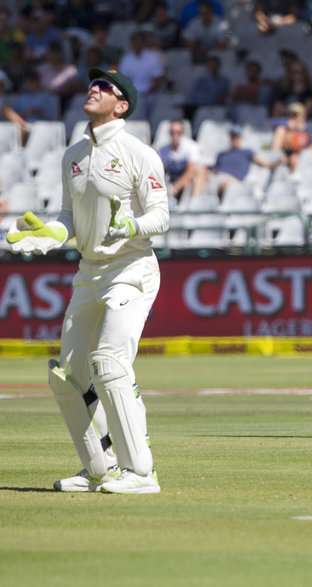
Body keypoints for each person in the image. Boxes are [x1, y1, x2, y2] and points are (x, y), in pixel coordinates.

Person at [5, 69, 169, 493]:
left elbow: (161, 217)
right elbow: (67, 220)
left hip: (132, 269)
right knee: (68, 377)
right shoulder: (73, 154)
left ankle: (140, 472)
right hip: (90, 272)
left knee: (110, 362)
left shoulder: (140, 153)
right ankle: (99, 467)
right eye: (92, 84)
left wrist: (129, 227)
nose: (94, 89)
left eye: (105, 88)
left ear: (122, 105)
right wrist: (46, 237)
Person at [158, 119, 202, 201]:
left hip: (185, 183)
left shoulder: (192, 147)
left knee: (199, 173)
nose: (175, 135)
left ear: (183, 133)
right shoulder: (163, 150)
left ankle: (193, 203)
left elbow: (192, 170)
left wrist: (175, 188)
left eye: (178, 132)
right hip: (171, 181)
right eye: (172, 132)